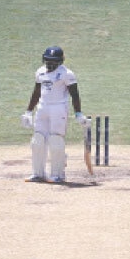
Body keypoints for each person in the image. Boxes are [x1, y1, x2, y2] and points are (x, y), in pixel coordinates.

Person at [21, 46, 89, 183]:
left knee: (56, 140)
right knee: (38, 140)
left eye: (53, 61)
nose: (50, 64)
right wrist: (28, 111)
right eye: (47, 61)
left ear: (60, 61)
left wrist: (78, 113)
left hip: (59, 108)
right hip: (42, 107)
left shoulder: (67, 74)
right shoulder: (40, 72)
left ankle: (58, 174)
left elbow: (75, 95)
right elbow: (36, 92)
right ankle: (38, 173)